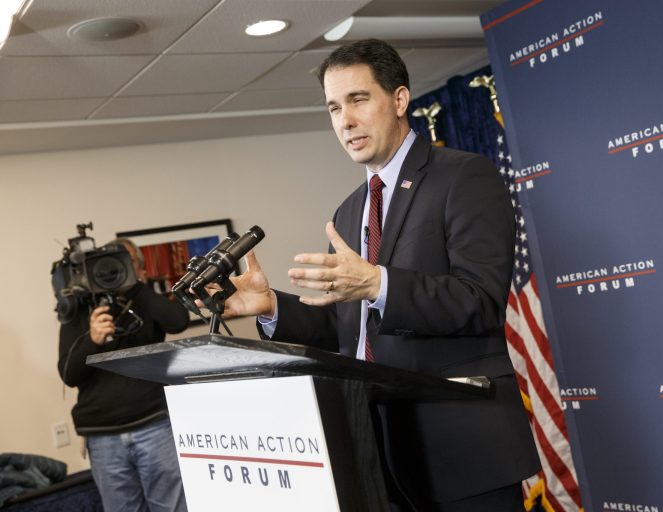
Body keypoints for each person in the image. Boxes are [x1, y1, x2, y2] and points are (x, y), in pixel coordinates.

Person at [219, 39, 541, 511]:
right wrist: (271, 306)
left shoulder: (464, 177)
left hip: (465, 452)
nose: (344, 121)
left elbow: (480, 301)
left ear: (399, 99)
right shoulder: (349, 212)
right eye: (333, 108)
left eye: (358, 99)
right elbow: (347, 329)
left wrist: (377, 282)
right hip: (380, 452)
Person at [57, 238, 189, 512]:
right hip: (103, 434)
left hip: (154, 425)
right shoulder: (79, 309)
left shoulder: (146, 300)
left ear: (138, 268)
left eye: (123, 263)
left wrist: (137, 288)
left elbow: (178, 321)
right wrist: (92, 339)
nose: (111, 272)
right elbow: (69, 375)